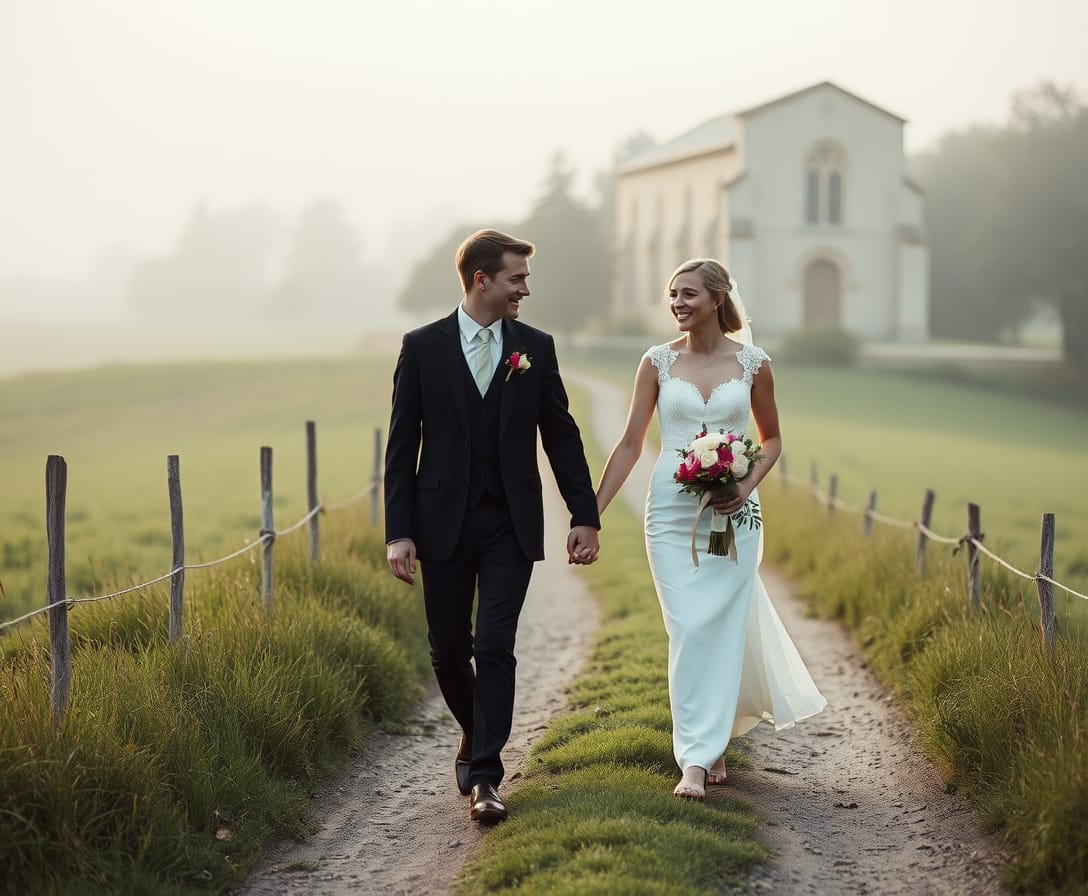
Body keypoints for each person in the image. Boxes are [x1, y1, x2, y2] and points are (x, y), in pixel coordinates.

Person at [384, 228, 601, 823]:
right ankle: (476, 731)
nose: (525, 290)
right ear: (482, 279)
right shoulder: (422, 347)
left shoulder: (535, 348)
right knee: (448, 649)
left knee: (493, 644)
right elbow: (402, 449)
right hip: (441, 524)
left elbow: (561, 436)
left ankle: (485, 778)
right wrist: (398, 530)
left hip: (510, 522)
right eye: (517, 279)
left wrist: (585, 515)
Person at [594, 258, 826, 799]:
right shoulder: (655, 362)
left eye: (689, 294)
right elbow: (630, 443)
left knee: (716, 626)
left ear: (718, 298)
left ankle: (698, 758)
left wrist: (744, 487)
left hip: (733, 514)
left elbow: (770, 440)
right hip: (670, 516)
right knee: (690, 628)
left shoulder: (754, 364)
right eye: (672, 294)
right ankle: (701, 750)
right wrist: (592, 513)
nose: (677, 303)